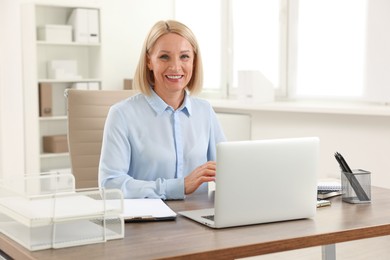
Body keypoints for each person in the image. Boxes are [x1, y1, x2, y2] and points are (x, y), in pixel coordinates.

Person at [98, 20, 226, 200]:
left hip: (198, 220)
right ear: (149, 61)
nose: (175, 67)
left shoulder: (205, 111)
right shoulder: (122, 115)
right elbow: (110, 185)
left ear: (194, 62)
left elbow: (227, 169)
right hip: (146, 222)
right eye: (164, 57)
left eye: (184, 57)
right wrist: (179, 186)